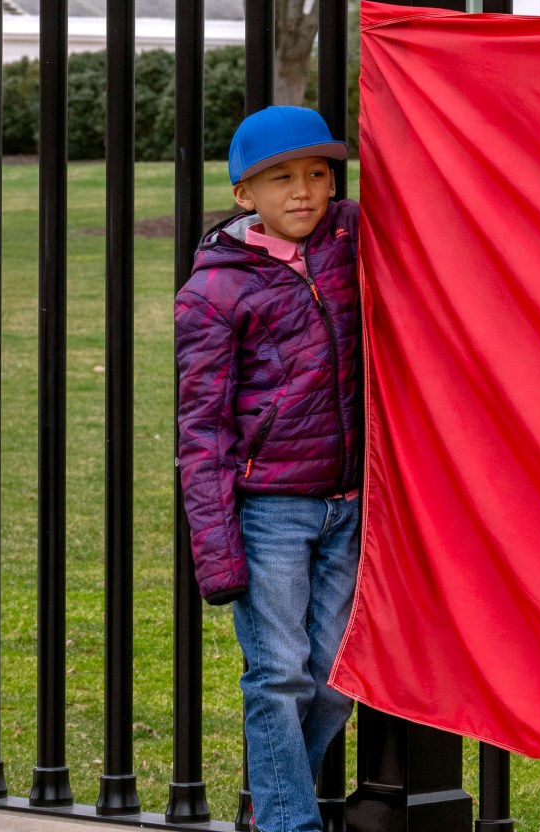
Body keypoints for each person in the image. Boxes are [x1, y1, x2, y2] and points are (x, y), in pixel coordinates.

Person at [176, 104, 364, 832]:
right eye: (280, 178)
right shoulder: (215, 292)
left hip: (349, 502)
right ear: (243, 195)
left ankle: (269, 798)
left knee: (336, 680)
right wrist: (219, 555)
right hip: (270, 510)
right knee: (279, 673)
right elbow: (203, 430)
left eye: (318, 173)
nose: (304, 192)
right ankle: (290, 822)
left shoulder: (349, 243)